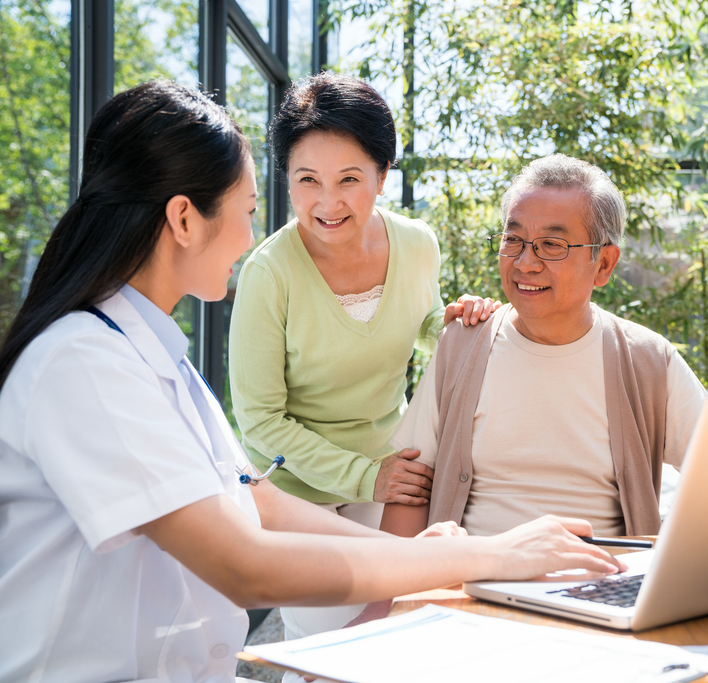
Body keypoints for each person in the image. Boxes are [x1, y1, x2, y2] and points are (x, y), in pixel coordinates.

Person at [0, 81, 622, 683]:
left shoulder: (156, 363)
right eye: (248, 211)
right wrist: (484, 555)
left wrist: (409, 554)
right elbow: (243, 565)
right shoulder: (84, 363)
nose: (252, 240)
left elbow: (257, 500)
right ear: (185, 220)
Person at [227, 74, 497, 641]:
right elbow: (260, 422)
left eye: (349, 178)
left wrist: (453, 322)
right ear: (286, 181)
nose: (327, 202)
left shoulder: (417, 243)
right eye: (307, 180)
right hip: (299, 498)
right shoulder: (267, 274)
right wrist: (364, 476)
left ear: (382, 175)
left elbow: (418, 325)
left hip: (391, 480)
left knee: (404, 630)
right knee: (329, 645)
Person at [382, 154, 708, 539]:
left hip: (600, 587)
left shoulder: (650, 361)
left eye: (551, 245)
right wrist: (390, 598)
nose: (525, 262)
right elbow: (410, 487)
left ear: (603, 264)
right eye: (513, 239)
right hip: (471, 581)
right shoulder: (462, 343)